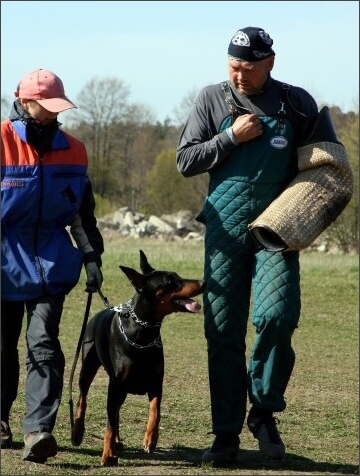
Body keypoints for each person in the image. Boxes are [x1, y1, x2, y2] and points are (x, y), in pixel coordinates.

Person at [176, 26, 351, 466]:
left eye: (249, 68)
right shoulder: (210, 99)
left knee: (276, 317)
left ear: (270, 62)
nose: (240, 76)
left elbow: (325, 163)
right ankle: (225, 434)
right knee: (222, 331)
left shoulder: (297, 103)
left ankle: (265, 413)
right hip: (225, 229)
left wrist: (308, 210)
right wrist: (231, 137)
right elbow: (185, 161)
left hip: (278, 230)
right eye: (234, 66)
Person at [1, 68, 104, 463]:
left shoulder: (74, 149)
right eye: (44, 108)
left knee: (43, 345)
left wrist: (92, 258)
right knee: (3, 350)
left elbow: (81, 214)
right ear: (23, 102)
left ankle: (37, 430)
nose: (51, 116)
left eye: (56, 109)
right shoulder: (2, 142)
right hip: (3, 264)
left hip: (50, 265)